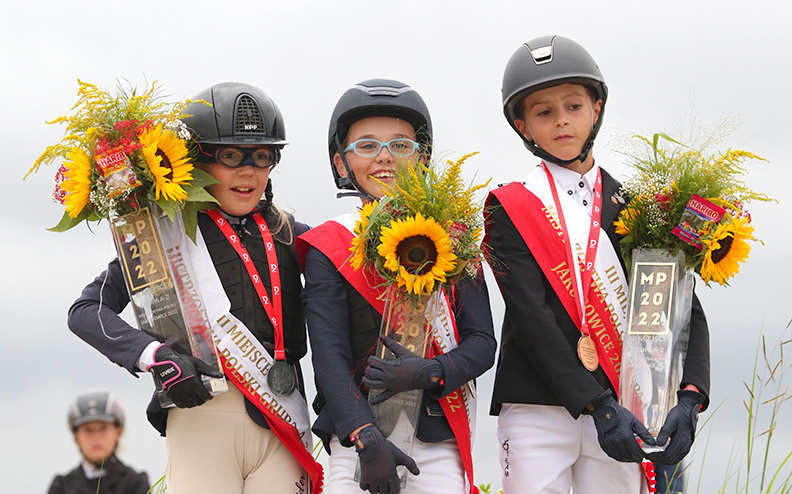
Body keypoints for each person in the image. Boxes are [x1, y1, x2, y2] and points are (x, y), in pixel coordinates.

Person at [68, 82, 322, 493]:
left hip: (282, 419)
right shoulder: (164, 237)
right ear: (197, 161)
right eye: (229, 156)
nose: (248, 171)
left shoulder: (294, 236)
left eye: (262, 156)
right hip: (200, 415)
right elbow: (85, 312)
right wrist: (156, 357)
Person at [483, 36, 711, 494]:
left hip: (626, 408)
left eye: (573, 106)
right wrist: (595, 403)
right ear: (523, 126)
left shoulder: (639, 207)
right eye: (544, 112)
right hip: (539, 406)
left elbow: (684, 309)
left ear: (597, 109)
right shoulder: (509, 207)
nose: (562, 120)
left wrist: (691, 395)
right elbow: (531, 318)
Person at [296, 79, 496, 494]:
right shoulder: (328, 246)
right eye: (367, 145)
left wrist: (434, 371)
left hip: (437, 440)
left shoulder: (454, 237)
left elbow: (482, 342)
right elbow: (329, 358)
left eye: (400, 145)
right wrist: (366, 438)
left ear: (421, 158)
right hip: (357, 443)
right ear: (341, 164)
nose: (384, 156)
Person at [48, 390, 149, 494]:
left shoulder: (135, 483)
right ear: (76, 437)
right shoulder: (61, 487)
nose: (96, 437)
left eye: (103, 428)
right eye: (88, 430)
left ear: (118, 433)